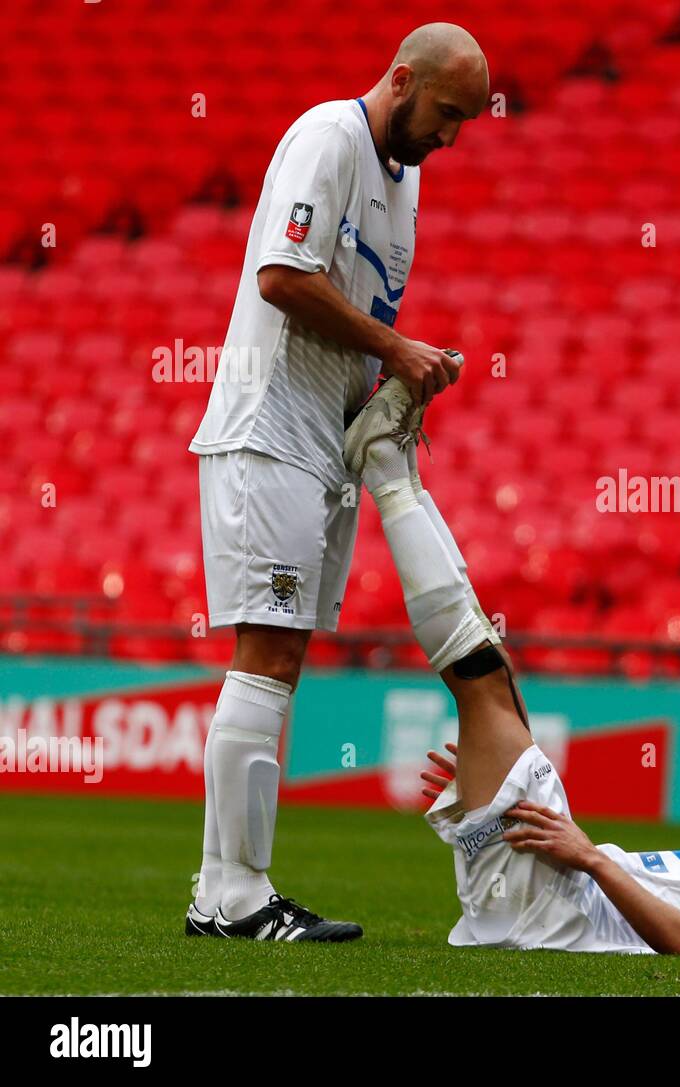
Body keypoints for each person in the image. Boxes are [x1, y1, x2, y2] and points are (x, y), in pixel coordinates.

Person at [344, 379, 680, 957]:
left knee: (481, 678)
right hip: (550, 895)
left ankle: (385, 464)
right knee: (492, 672)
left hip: (552, 904)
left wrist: (588, 856)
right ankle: (393, 463)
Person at [184, 24, 489, 942]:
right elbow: (282, 276)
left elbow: (360, 316)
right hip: (267, 432)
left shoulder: (409, 184)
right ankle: (234, 896)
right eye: (446, 114)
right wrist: (396, 346)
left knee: (281, 658)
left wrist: (392, 384)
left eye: (466, 123)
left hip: (321, 446)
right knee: (266, 653)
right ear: (403, 80)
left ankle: (223, 890)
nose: (451, 137)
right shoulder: (328, 138)